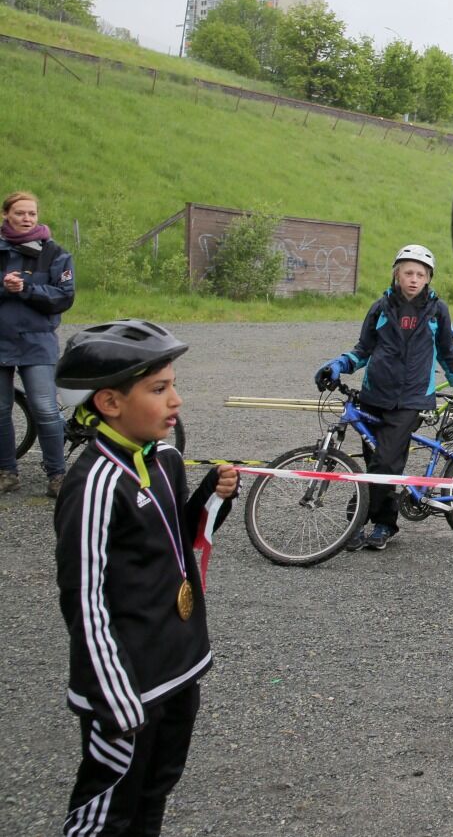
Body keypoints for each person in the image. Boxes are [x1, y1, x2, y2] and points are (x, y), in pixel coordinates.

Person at [51, 320, 239, 835]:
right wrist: (114, 694)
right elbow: (83, 596)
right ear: (110, 403)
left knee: (156, 790)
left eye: (173, 384)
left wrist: (213, 497)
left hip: (176, 667)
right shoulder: (92, 483)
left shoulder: (165, 459)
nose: (175, 400)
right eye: (159, 389)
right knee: (109, 812)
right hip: (127, 686)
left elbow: (178, 539)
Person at [315, 245, 453, 552]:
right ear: (397, 274)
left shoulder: (437, 311)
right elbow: (362, 349)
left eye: (421, 274)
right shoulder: (380, 308)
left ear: (428, 278)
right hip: (374, 397)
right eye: (408, 272)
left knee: (386, 462)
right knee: (377, 464)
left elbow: (447, 354)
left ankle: (375, 522)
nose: (414, 279)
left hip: (412, 400)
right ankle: (372, 521)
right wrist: (337, 365)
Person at [0, 190, 75, 496]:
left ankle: (57, 475)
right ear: (7, 215)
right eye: (20, 213)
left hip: (37, 343)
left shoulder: (55, 253)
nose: (27, 218)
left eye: (31, 213)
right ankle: (7, 472)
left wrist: (26, 289)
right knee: (1, 411)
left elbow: (64, 296)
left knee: (46, 410)